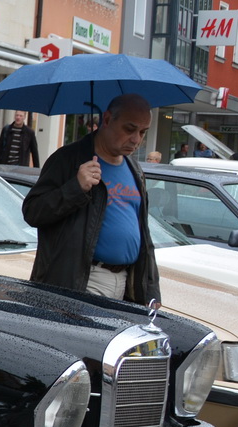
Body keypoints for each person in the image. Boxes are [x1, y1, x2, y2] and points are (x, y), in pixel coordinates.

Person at [22, 94, 159, 305]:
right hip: (82, 280)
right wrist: (76, 187)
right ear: (106, 119)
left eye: (142, 132)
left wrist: (151, 290)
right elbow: (33, 211)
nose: (136, 140)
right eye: (129, 129)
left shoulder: (135, 169)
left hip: (125, 282)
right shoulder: (68, 159)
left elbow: (144, 234)